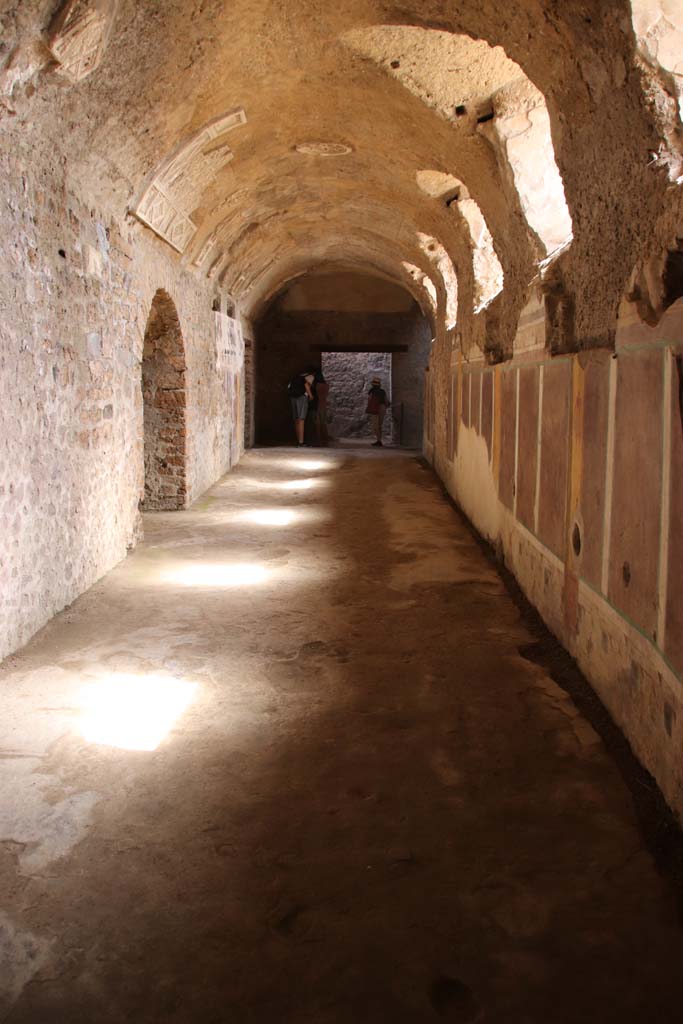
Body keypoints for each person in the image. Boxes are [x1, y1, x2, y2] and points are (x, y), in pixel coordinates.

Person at [288, 370, 315, 447]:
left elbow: (289, 386)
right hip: (301, 398)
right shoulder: (310, 376)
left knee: (296, 420)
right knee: (301, 419)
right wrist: (311, 396)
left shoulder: (297, 376)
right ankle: (301, 442)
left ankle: (298, 441)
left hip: (293, 397)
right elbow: (306, 385)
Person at [309, 367, 330, 446]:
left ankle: (318, 439)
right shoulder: (326, 385)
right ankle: (325, 439)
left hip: (317, 404)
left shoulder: (316, 385)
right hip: (324, 404)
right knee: (323, 422)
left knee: (317, 423)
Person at [366, 376, 388, 447]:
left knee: (375, 425)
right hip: (382, 407)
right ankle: (379, 440)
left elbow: (369, 400)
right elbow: (386, 401)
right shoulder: (382, 391)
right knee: (379, 425)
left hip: (375, 408)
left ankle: (379, 440)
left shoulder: (371, 391)